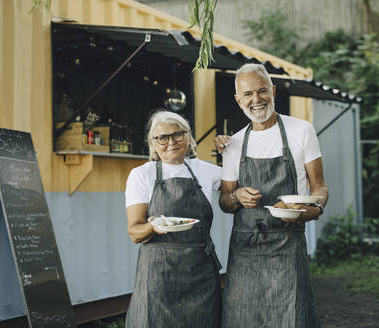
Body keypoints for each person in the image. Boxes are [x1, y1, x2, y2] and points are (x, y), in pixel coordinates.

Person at [215, 63, 328, 328]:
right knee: (243, 319)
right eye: (248, 94)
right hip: (246, 247)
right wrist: (236, 197)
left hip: (288, 243)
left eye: (262, 91)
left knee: (292, 317)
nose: (256, 100)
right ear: (238, 99)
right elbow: (224, 201)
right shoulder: (234, 145)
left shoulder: (302, 131)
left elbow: (319, 187)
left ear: (273, 91)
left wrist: (315, 209)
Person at [124, 110, 222, 328]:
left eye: (177, 134)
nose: (171, 142)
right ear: (153, 143)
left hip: (200, 271)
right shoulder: (142, 175)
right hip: (159, 273)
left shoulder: (206, 171)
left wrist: (230, 150)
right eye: (162, 137)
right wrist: (152, 226)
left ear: (188, 137)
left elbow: (237, 184)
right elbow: (134, 231)